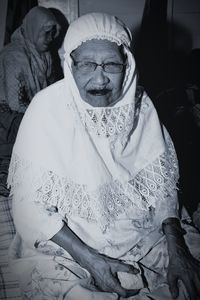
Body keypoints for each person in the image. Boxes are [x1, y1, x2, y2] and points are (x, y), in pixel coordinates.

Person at [8, 13, 200, 299]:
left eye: (112, 64)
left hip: (137, 227)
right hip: (68, 236)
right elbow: (29, 207)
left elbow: (161, 187)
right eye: (86, 64)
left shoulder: (141, 104)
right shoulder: (45, 108)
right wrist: (90, 259)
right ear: (70, 65)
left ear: (127, 65)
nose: (100, 78)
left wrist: (177, 248)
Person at [0, 6, 60, 196]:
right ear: (34, 29)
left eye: (53, 34)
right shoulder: (13, 55)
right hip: (7, 117)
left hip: (29, 111)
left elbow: (50, 89)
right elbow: (15, 103)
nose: (50, 39)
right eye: (46, 34)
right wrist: (44, 116)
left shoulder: (44, 55)